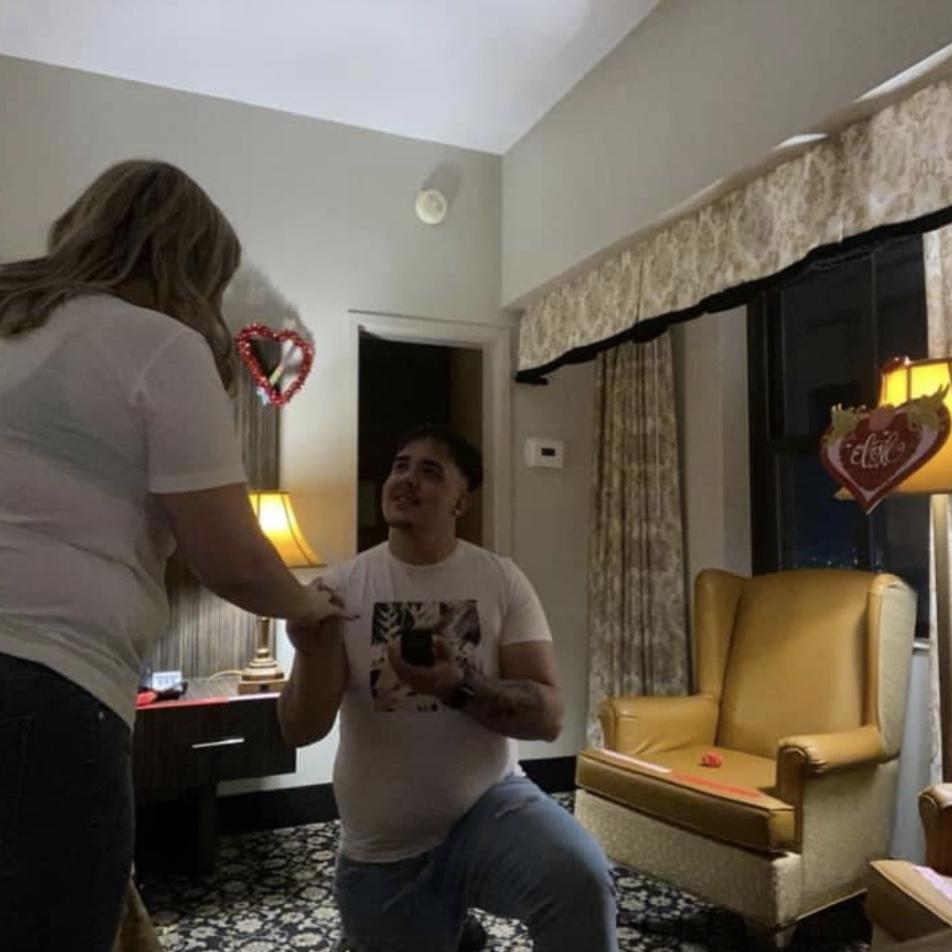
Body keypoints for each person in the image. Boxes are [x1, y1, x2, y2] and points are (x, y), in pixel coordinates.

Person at [0, 160, 348, 952]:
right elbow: (232, 557)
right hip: (42, 688)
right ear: (189, 265)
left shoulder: (14, 324)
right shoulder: (159, 344)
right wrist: (308, 605)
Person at [279, 424, 618, 952]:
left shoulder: (501, 580)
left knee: (582, 882)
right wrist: (309, 651)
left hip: (490, 807)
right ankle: (455, 933)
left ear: (462, 501)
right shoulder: (342, 589)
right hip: (384, 851)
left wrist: (460, 685)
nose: (406, 479)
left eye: (430, 471)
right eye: (400, 466)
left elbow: (550, 717)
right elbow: (301, 729)